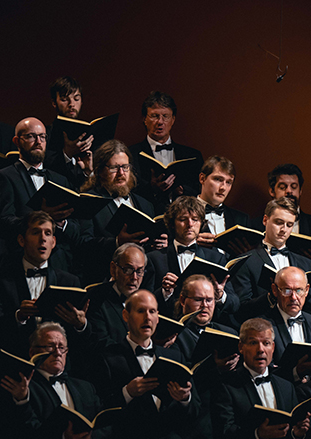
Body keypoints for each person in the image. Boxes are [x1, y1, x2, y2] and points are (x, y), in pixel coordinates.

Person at [96, 289, 199, 439]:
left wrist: (185, 399)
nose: (147, 317)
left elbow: (196, 411)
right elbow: (99, 410)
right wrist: (127, 393)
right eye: (140, 311)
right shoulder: (108, 358)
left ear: (158, 317)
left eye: (152, 311)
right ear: (126, 316)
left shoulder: (175, 357)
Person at [211, 318, 311, 439]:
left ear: (273, 347)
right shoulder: (226, 385)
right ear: (241, 347)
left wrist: (297, 434)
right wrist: (258, 434)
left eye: (266, 343)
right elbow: (224, 434)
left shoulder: (287, 387)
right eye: (253, 343)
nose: (260, 350)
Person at [0, 117, 87, 272]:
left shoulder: (60, 180)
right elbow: (3, 222)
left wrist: (61, 223)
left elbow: (76, 230)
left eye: (42, 137)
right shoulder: (5, 176)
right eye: (31, 136)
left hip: (60, 266)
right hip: (19, 262)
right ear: (17, 141)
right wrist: (40, 218)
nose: (38, 142)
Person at [0, 211, 85, 357]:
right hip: (15, 363)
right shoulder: (0, 279)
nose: (42, 239)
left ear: (53, 242)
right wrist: (19, 316)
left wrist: (80, 325)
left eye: (48, 233)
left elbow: (80, 342)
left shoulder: (70, 282)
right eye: (36, 232)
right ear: (21, 240)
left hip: (56, 365)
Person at [8, 322, 107, 439]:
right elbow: (25, 435)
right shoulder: (24, 387)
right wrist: (64, 438)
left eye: (62, 347)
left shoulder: (85, 388)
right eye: (50, 346)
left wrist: (89, 437)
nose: (57, 353)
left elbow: (104, 425)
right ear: (32, 352)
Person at [172, 275, 239, 439]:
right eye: (198, 299)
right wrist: (214, 368)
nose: (205, 305)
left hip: (226, 423)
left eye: (209, 300)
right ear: (183, 300)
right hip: (195, 426)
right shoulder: (174, 336)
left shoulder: (228, 332)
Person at [79, 139, 166, 284]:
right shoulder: (89, 201)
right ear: (100, 171)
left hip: (143, 282)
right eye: (114, 168)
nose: (121, 173)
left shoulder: (146, 204)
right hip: (105, 280)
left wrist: (160, 245)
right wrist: (117, 242)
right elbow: (83, 244)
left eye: (125, 167)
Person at [143, 195, 237, 317]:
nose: (190, 224)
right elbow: (143, 301)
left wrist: (220, 295)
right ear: (172, 224)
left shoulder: (216, 258)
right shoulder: (154, 258)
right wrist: (165, 292)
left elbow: (235, 304)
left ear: (201, 223)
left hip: (205, 326)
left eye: (195, 219)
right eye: (183, 219)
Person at [231, 197, 311, 321]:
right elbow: (241, 309)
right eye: (279, 222)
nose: (284, 229)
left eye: (289, 225)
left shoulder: (306, 264)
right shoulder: (246, 262)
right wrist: (272, 296)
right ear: (265, 220)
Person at [128, 91, 203, 211]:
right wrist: (151, 189)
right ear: (144, 119)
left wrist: (182, 190)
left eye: (165, 116)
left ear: (173, 120)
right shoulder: (130, 154)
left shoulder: (193, 156)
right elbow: (127, 193)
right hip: (149, 218)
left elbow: (201, 190)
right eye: (154, 116)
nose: (160, 122)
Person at [251, 164, 311, 259]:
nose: (289, 191)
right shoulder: (254, 226)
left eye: (294, 187)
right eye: (282, 187)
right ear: (272, 191)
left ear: (300, 191)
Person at [263, 266, 311, 383]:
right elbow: (264, 370)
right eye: (287, 290)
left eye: (299, 290)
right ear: (275, 290)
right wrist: (295, 374)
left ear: (307, 290)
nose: (293, 297)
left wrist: (309, 380)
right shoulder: (263, 326)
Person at [44, 76, 93, 190]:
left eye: (76, 99)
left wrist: (88, 172)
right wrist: (67, 154)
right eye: (65, 99)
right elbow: (44, 170)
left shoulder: (89, 135)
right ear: (54, 103)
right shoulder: (45, 134)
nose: (72, 104)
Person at [194, 155, 250, 253]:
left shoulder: (242, 219)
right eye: (218, 179)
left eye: (228, 182)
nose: (223, 187)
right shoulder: (181, 213)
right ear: (202, 178)